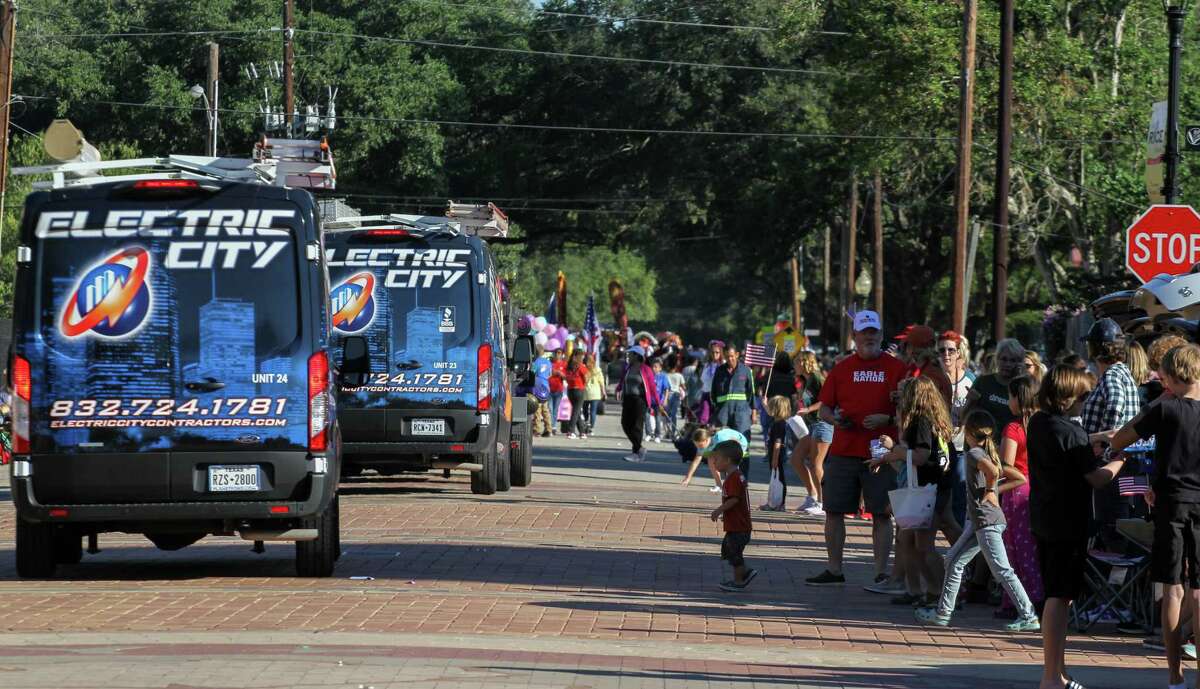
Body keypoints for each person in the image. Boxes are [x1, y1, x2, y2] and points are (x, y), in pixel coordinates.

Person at [1104, 344, 1200, 689]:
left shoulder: (1166, 408)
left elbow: (1121, 438)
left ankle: (1175, 676)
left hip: (1171, 503)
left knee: (1172, 590)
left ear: (1171, 376)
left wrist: (1158, 402)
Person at [1027, 366, 1127, 689]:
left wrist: (1096, 439)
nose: (1085, 403)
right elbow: (1097, 478)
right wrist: (1119, 460)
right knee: (1060, 597)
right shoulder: (1072, 433)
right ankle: (1050, 676)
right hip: (1068, 523)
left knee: (1059, 596)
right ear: (1067, 397)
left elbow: (1071, 448)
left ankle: (1058, 670)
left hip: (1045, 517)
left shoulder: (1039, 422)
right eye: (1083, 397)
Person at [805, 310, 908, 587]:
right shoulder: (841, 369)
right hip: (844, 449)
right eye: (864, 332)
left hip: (882, 453)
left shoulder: (897, 369)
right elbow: (824, 407)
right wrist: (834, 418)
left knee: (882, 513)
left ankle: (880, 572)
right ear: (854, 336)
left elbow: (911, 410)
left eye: (873, 331)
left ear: (881, 335)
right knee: (834, 511)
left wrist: (887, 419)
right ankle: (834, 570)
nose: (869, 337)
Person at [915, 409, 1041, 632]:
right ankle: (943, 613)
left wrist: (991, 488)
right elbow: (1019, 476)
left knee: (1002, 570)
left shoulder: (974, 453)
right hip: (980, 521)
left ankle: (1028, 614)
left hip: (987, 521)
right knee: (953, 560)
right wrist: (994, 489)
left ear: (970, 432)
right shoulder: (985, 451)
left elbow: (994, 472)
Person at [873, 376, 953, 607]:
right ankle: (923, 591)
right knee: (910, 540)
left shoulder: (920, 422)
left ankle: (940, 592)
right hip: (936, 485)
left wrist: (894, 450)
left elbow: (920, 456)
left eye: (904, 393)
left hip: (927, 488)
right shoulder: (936, 418)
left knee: (924, 546)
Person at [1079, 318, 1141, 550]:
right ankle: (1118, 578)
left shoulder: (1112, 376)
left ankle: (1114, 580)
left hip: (1111, 465)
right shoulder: (1123, 373)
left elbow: (1115, 405)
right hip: (1123, 463)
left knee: (1112, 525)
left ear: (1095, 348)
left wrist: (1105, 445)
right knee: (1121, 521)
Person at [997, 375, 1044, 618]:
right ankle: (1025, 597)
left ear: (1019, 398)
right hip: (1039, 488)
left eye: (1010, 396)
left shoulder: (1014, 428)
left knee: (1015, 549)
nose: (1008, 401)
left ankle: (1024, 600)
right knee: (1031, 547)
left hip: (1017, 491)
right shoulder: (1042, 424)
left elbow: (1006, 464)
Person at [709, 439, 758, 592]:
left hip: (739, 526)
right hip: (737, 524)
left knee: (734, 552)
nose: (714, 462)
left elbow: (735, 499)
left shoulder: (734, 478)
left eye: (716, 459)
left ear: (727, 460)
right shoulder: (735, 476)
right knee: (728, 550)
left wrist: (719, 510)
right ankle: (745, 573)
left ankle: (740, 580)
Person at [939, 331, 974, 528]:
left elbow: (977, 413)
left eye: (951, 350)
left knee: (960, 496)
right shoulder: (934, 378)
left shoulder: (970, 379)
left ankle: (959, 545)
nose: (946, 354)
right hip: (937, 448)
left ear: (959, 353)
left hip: (961, 447)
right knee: (938, 497)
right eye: (942, 350)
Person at [793, 350, 831, 516]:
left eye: (796, 362)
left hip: (822, 423)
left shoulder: (816, 377)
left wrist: (808, 408)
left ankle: (823, 503)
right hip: (810, 425)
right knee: (796, 459)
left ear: (803, 362)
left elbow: (827, 399)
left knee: (816, 464)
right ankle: (812, 495)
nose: (794, 366)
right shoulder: (805, 381)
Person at [966, 338, 1025, 436]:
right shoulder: (983, 381)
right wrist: (972, 402)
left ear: (1019, 363)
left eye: (1013, 360)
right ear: (997, 359)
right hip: (982, 441)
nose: (1008, 364)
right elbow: (964, 416)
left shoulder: (1021, 387)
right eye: (1004, 359)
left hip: (1009, 443)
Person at [617, 346, 662, 463]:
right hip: (627, 399)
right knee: (625, 424)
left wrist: (658, 403)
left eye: (630, 354)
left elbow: (652, 387)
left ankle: (636, 452)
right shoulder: (628, 368)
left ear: (637, 356)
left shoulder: (646, 369)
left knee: (637, 426)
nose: (628, 356)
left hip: (640, 400)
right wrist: (618, 389)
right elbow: (623, 381)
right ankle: (639, 448)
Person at [762, 395, 806, 512]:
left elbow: (778, 443)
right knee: (775, 479)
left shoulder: (778, 424)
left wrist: (774, 459)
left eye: (771, 407)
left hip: (777, 456)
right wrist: (765, 403)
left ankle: (779, 504)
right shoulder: (779, 421)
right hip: (776, 455)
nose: (769, 410)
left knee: (779, 480)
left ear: (776, 410)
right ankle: (773, 503)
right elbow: (769, 412)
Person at [711, 343, 756, 448]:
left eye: (731, 356)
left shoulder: (746, 371)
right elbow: (713, 392)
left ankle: (743, 464)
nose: (729, 359)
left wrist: (753, 412)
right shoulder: (719, 371)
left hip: (741, 413)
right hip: (723, 414)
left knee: (742, 442)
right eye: (727, 357)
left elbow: (752, 393)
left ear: (737, 354)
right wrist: (717, 408)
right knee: (723, 443)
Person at [683, 426, 750, 492]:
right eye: (696, 446)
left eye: (700, 446)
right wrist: (688, 478)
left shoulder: (720, 438)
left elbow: (735, 443)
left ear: (706, 440)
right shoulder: (702, 445)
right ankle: (719, 486)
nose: (699, 448)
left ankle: (738, 482)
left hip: (741, 443)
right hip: (727, 447)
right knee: (711, 458)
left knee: (728, 463)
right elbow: (696, 462)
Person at [528, 343, 554, 437]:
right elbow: (550, 374)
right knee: (545, 409)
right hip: (546, 386)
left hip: (537, 385)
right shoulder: (548, 362)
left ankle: (537, 429)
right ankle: (549, 429)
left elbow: (532, 373)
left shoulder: (535, 362)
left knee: (537, 409)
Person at [698, 340, 725, 424]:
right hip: (706, 394)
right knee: (703, 417)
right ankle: (703, 434)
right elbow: (702, 380)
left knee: (716, 420)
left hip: (718, 395)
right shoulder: (707, 365)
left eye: (717, 352)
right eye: (713, 352)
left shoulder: (723, 365)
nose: (715, 355)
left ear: (721, 353)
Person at [564, 350, 589, 439]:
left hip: (570, 390)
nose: (583, 357)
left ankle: (582, 432)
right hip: (579, 390)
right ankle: (571, 431)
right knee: (576, 411)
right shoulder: (581, 366)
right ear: (578, 356)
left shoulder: (568, 366)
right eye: (582, 356)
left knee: (576, 411)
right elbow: (587, 377)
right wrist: (584, 385)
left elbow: (566, 378)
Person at [583, 354, 606, 435]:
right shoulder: (597, 369)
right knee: (593, 411)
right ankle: (591, 428)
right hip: (595, 393)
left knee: (585, 410)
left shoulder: (583, 369)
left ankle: (586, 423)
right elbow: (601, 381)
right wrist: (604, 392)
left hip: (585, 393)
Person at [548, 348, 567, 435]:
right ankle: (550, 426)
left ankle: (553, 426)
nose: (557, 354)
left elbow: (566, 376)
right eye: (556, 353)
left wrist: (560, 373)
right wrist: (553, 372)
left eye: (559, 353)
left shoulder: (564, 364)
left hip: (558, 389)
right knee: (550, 409)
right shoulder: (550, 363)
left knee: (555, 409)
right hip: (549, 389)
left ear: (562, 354)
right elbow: (547, 373)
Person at [666, 359, 687, 427]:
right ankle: (673, 431)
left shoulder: (666, 375)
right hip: (676, 395)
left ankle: (668, 430)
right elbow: (684, 387)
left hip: (668, 395)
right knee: (674, 414)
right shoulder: (679, 375)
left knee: (668, 413)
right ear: (676, 366)